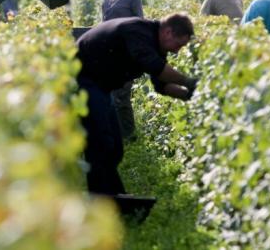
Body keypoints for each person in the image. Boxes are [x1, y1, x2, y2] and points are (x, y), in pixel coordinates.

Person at [75, 13, 198, 195]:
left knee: (115, 148)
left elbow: (161, 85)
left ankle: (113, 198)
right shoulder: (138, 31)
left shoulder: (155, 44)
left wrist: (189, 95)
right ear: (168, 32)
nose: (176, 51)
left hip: (100, 86)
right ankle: (104, 201)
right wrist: (188, 81)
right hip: (81, 79)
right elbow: (156, 67)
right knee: (101, 143)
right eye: (178, 45)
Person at [59, 0, 144, 141]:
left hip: (124, 55)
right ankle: (114, 133)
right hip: (106, 53)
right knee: (108, 95)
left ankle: (130, 136)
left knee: (122, 98)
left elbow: (140, 24)